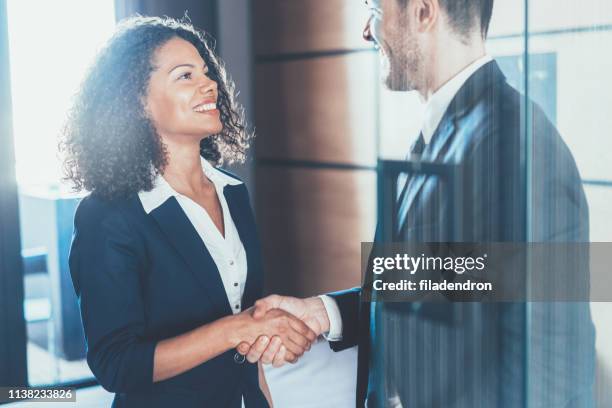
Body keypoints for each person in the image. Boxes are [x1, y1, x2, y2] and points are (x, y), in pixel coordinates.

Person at [240, 0, 596, 407]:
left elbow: (554, 365)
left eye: (375, 9)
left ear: (424, 12)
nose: (366, 31)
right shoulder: (446, 131)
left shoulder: (517, 146)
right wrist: (327, 313)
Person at [61, 16, 316, 408]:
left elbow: (247, 338)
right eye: (184, 75)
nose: (209, 82)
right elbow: (116, 365)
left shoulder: (232, 192)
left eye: (206, 70)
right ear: (138, 102)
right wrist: (234, 329)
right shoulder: (106, 217)